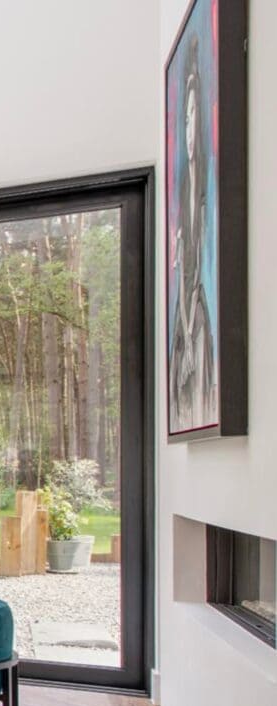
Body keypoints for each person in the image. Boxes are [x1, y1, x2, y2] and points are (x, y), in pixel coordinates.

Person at [170, 33, 217, 431]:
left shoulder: (203, 193)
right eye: (183, 118)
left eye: (191, 116)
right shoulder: (185, 190)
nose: (188, 127)